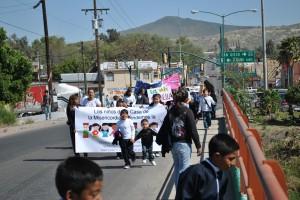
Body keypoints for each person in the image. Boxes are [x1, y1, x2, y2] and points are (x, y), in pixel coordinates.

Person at [157, 88, 201, 187]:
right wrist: (198, 146)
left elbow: (165, 126)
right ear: (186, 99)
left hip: (173, 144)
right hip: (184, 143)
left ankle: (179, 193)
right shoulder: (187, 111)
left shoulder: (171, 110)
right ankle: (182, 194)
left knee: (177, 168)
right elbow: (193, 130)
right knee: (184, 170)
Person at [175, 134, 240, 200]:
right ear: (217, 156)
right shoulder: (193, 174)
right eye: (231, 159)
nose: (234, 163)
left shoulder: (223, 175)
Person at [81, 88, 101, 158]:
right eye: (89, 92)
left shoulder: (97, 100)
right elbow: (81, 110)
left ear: (94, 94)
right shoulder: (84, 101)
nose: (90, 94)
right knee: (85, 137)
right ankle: (85, 154)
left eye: (92, 92)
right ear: (87, 93)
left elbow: (100, 109)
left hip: (95, 123)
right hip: (86, 123)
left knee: (96, 136)